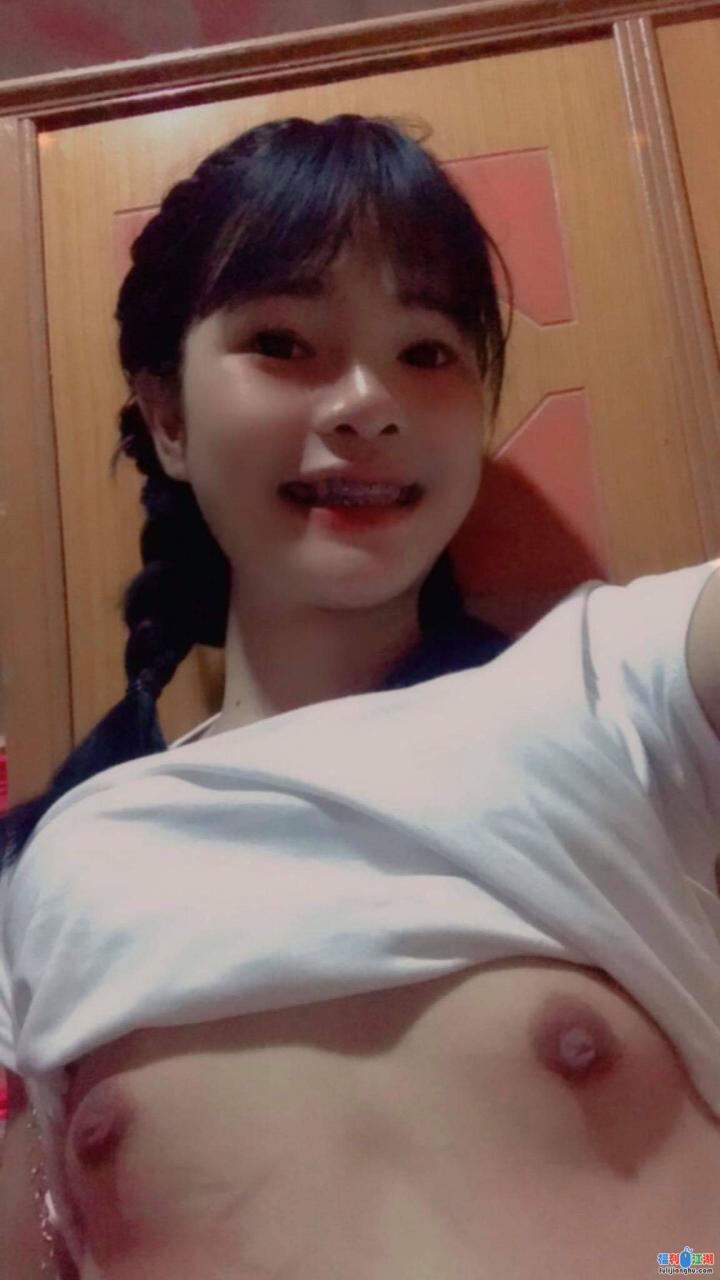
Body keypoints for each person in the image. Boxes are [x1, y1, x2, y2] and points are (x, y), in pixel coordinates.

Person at [0, 113, 718, 1280]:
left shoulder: (610, 689)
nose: (369, 402)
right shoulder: (62, 862)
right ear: (168, 416)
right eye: (284, 342)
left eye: (428, 352)